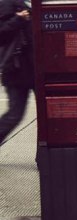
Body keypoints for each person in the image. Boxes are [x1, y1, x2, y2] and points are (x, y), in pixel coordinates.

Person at [0, 0, 34, 146]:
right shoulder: (7, 4)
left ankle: (44, 154)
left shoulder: (35, 4)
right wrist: (18, 19)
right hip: (16, 70)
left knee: (48, 115)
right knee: (14, 115)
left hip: (36, 69)